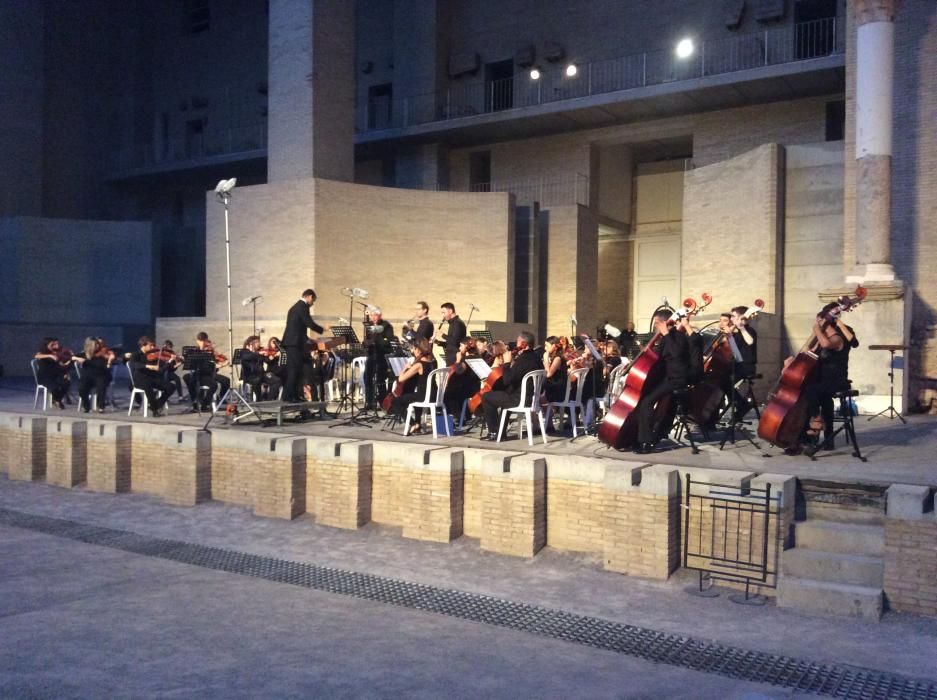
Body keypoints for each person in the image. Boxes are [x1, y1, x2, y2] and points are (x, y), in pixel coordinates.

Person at [793, 311, 859, 456]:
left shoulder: (837, 338)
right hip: (824, 379)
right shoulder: (822, 337)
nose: (818, 325)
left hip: (837, 380)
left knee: (811, 391)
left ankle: (816, 419)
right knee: (822, 397)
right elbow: (809, 351)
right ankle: (825, 440)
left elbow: (826, 343)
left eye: (820, 322)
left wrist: (817, 329)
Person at [633, 311, 691, 454]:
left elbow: (676, 354)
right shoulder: (665, 337)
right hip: (667, 377)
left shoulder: (679, 336)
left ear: (663, 323)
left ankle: (646, 442)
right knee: (644, 398)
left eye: (656, 323)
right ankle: (647, 435)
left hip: (676, 378)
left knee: (647, 402)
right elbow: (659, 359)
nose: (655, 326)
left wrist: (665, 334)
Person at [480, 331, 542, 440]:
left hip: (520, 399)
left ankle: (494, 432)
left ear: (523, 344)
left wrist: (507, 363)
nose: (515, 344)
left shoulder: (523, 360)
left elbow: (507, 380)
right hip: (532, 398)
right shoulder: (536, 357)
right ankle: (500, 432)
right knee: (504, 396)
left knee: (487, 397)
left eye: (517, 341)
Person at [281, 289, 329, 402]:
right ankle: (288, 397)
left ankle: (296, 396)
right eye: (313, 301)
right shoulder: (302, 307)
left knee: (298, 370)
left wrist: (310, 340)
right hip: (293, 343)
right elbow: (309, 323)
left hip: (295, 342)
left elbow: (299, 328)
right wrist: (322, 329)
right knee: (294, 370)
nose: (312, 304)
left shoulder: (296, 307)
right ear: (309, 297)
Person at [389, 338, 437, 433]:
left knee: (395, 401)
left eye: (414, 349)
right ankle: (418, 423)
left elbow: (401, 378)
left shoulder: (419, 364)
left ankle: (413, 423)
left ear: (418, 349)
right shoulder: (433, 361)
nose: (413, 351)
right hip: (434, 395)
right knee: (414, 396)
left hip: (424, 397)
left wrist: (405, 368)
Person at [183, 332, 230, 411]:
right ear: (197, 341)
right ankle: (195, 401)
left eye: (203, 341)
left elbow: (215, 364)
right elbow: (188, 361)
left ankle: (205, 403)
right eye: (200, 341)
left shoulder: (210, 352)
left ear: (206, 341)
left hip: (208, 374)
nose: (202, 343)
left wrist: (222, 364)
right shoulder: (193, 351)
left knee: (215, 384)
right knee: (187, 378)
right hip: (199, 373)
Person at [128, 336, 170, 416]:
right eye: (150, 345)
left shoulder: (151, 355)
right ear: (144, 345)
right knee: (148, 385)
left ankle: (156, 405)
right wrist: (148, 366)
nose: (152, 347)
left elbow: (160, 369)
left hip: (151, 378)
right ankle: (155, 411)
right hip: (140, 379)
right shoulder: (135, 354)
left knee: (170, 386)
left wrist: (168, 363)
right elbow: (133, 364)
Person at [363, 306, 395, 409]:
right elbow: (367, 339)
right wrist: (366, 343)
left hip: (382, 355)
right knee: (367, 377)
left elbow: (389, 339)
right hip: (371, 354)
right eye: (371, 315)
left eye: (375, 315)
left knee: (380, 379)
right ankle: (370, 402)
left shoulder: (386, 326)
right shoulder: (369, 326)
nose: (373, 317)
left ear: (380, 315)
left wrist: (378, 341)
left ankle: (382, 403)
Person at [76, 337, 114, 413]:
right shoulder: (84, 354)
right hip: (88, 377)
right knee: (81, 388)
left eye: (97, 344)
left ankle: (101, 406)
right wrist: (76, 358)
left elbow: (104, 367)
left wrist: (109, 361)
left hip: (101, 375)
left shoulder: (102, 354)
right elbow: (72, 357)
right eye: (95, 344)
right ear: (90, 346)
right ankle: (86, 406)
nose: (98, 346)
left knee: (101, 385)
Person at [34, 337, 72, 409]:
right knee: (54, 387)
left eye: (56, 344)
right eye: (53, 344)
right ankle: (57, 400)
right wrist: (50, 355)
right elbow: (37, 356)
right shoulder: (43, 352)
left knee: (66, 383)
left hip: (56, 375)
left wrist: (68, 362)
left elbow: (60, 364)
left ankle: (57, 399)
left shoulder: (57, 352)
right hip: (45, 376)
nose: (55, 346)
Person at [241, 335, 282, 400]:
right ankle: (258, 399)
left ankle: (269, 400)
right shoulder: (244, 351)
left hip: (261, 374)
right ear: (252, 343)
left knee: (276, 381)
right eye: (257, 342)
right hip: (251, 376)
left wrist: (273, 356)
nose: (259, 344)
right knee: (257, 381)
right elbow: (247, 357)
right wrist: (258, 353)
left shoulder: (261, 351)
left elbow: (267, 360)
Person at [542, 336, 568, 404]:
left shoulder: (558, 359)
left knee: (534, 399)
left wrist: (546, 358)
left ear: (553, 346)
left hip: (557, 391)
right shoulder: (555, 358)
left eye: (546, 346)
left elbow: (548, 374)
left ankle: (548, 413)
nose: (545, 348)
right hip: (554, 387)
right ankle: (547, 412)